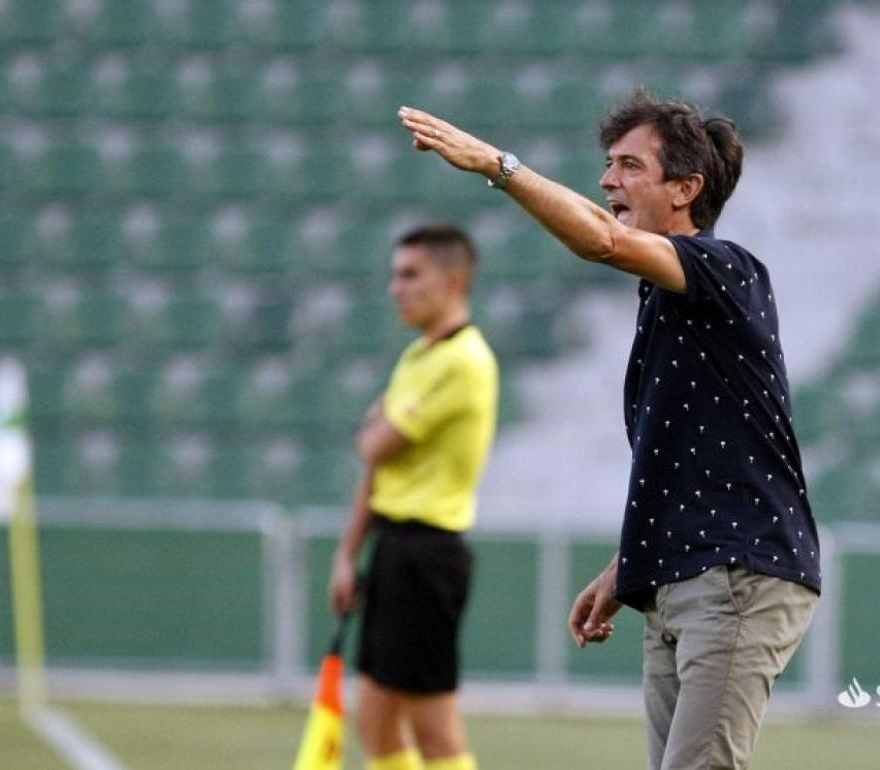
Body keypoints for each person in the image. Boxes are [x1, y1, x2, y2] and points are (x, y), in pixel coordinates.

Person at [398, 93, 820, 770]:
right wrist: (628, 565)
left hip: (737, 575)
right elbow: (696, 459)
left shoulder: (726, 268)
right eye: (608, 164)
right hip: (681, 576)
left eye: (629, 165)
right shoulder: (667, 305)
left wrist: (495, 165)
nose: (607, 180)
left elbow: (602, 237)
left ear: (686, 189)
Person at [329, 224, 499, 770]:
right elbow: (375, 462)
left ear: (453, 280)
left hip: (428, 555)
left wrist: (372, 432)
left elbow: (374, 443)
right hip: (395, 549)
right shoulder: (418, 357)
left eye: (409, 274)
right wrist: (347, 555)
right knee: (376, 717)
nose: (395, 288)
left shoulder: (464, 360)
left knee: (434, 728)